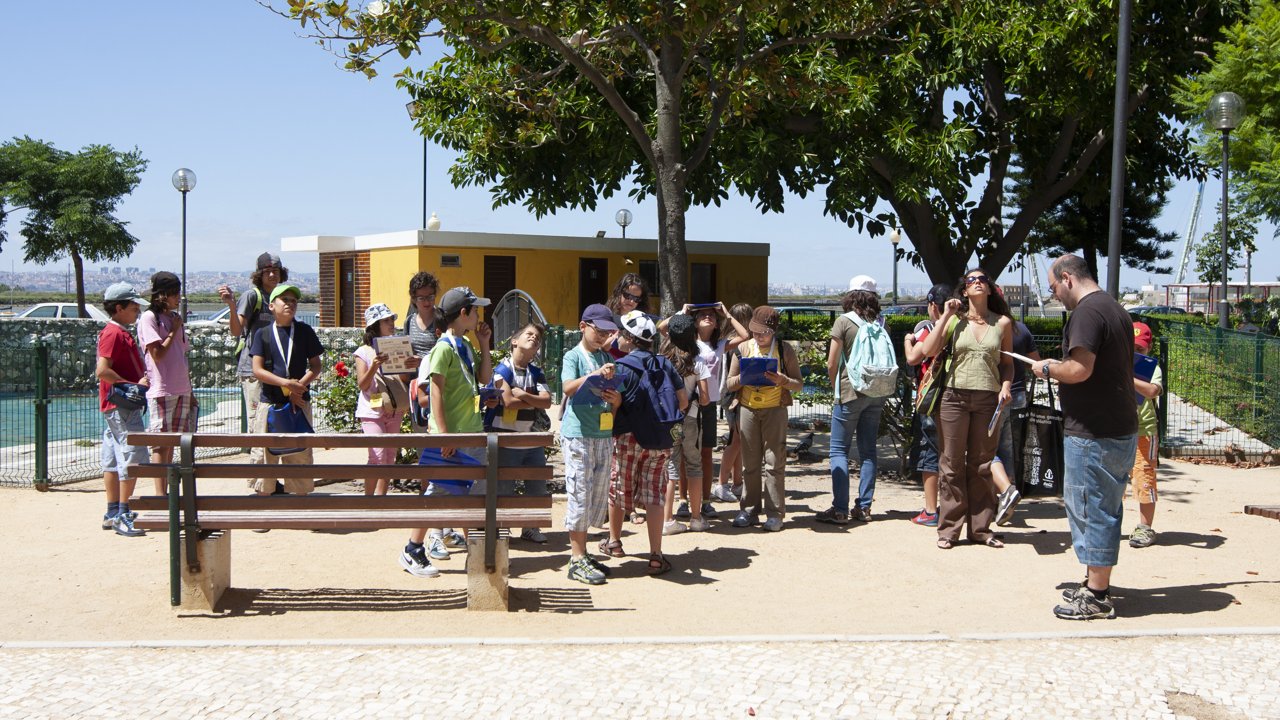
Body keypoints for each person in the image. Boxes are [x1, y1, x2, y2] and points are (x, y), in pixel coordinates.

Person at [1030, 255, 1138, 620]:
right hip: (1115, 426)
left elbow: (1079, 369)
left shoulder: (1087, 313)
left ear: (1067, 278)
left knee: (1091, 509)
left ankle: (1097, 595)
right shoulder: (1114, 308)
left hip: (1094, 431)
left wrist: (1047, 367)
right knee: (1101, 507)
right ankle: (1096, 580)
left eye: (1053, 287)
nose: (1055, 295)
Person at [400, 287, 494, 577]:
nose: (479, 315)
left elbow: (484, 378)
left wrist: (485, 344)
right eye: (475, 310)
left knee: (471, 496)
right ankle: (413, 549)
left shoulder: (464, 344)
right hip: (451, 435)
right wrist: (444, 435)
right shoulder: (443, 347)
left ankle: (475, 554)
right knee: (439, 492)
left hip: (469, 431)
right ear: (463, 313)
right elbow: (435, 393)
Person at [918, 268, 1013, 550]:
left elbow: (1007, 364)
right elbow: (928, 350)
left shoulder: (1003, 323)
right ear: (964, 291)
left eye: (982, 279)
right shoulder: (954, 322)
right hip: (953, 398)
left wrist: (1006, 386)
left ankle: (981, 529)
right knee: (951, 464)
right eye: (971, 280)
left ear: (989, 288)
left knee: (983, 464)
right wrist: (946, 315)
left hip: (988, 399)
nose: (977, 283)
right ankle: (948, 530)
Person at [607, 310, 688, 574]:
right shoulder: (664, 364)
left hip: (628, 437)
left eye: (621, 333)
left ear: (630, 339)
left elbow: (610, 409)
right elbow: (683, 401)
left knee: (619, 488)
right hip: (661, 439)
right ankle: (655, 555)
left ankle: (614, 543)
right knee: (655, 494)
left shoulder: (620, 368)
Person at [816, 275, 888, 525]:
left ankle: (839, 509)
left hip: (849, 392)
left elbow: (832, 362)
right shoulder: (881, 322)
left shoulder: (844, 322)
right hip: (876, 392)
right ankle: (865, 507)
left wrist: (834, 382)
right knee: (868, 451)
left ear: (849, 295)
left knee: (838, 450)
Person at [723, 306, 803, 532]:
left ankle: (775, 513)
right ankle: (748, 510)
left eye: (764, 333)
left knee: (774, 462)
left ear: (774, 331)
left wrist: (782, 380)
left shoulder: (784, 350)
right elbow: (729, 384)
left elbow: (798, 384)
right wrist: (744, 378)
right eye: (755, 332)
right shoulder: (742, 348)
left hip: (775, 409)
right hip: (747, 409)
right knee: (749, 463)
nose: (759, 337)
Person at [562, 304, 622, 585]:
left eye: (606, 332)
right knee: (579, 493)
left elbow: (614, 398)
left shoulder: (607, 356)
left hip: (601, 432)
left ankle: (583, 553)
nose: (602, 336)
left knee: (597, 492)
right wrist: (595, 375)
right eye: (598, 330)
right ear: (583, 326)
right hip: (577, 434)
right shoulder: (573, 355)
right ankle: (576, 558)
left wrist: (615, 400)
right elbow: (567, 387)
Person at [248, 284, 325, 498]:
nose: (290, 304)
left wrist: (298, 388)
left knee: (300, 457)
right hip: (270, 403)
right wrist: (286, 383)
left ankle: (301, 509)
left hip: (298, 403)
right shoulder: (262, 334)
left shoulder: (304, 331)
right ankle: (263, 512)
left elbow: (316, 365)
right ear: (272, 306)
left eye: (294, 300)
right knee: (264, 459)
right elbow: (257, 369)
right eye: (285, 300)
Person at [486, 321, 554, 543]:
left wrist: (522, 395)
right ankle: (500, 529)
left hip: (531, 440)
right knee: (504, 487)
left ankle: (530, 527)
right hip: (505, 440)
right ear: (514, 341)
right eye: (529, 334)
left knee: (536, 486)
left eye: (537, 337)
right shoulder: (501, 370)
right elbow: (507, 402)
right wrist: (532, 400)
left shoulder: (537, 372)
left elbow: (547, 401)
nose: (533, 338)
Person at [137, 272, 202, 496]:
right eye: (174, 293)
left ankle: (170, 492)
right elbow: (157, 354)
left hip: (181, 388)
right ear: (162, 296)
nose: (178, 298)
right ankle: (160, 495)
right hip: (161, 389)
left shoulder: (174, 318)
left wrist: (190, 390)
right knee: (160, 444)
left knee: (174, 443)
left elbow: (181, 355)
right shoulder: (149, 319)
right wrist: (173, 330)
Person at [95, 282, 151, 537]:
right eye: (133, 306)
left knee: (112, 458)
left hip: (115, 407)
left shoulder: (118, 332)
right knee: (132, 455)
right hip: (122, 407)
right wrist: (134, 385)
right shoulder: (114, 333)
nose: (137, 310)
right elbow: (102, 371)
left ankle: (113, 511)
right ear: (119, 308)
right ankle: (123, 513)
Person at [690, 303, 749, 517]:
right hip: (688, 402)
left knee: (706, 453)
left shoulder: (720, 345)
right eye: (703, 315)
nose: (708, 317)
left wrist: (726, 314)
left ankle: (705, 500)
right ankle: (683, 500)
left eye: (711, 316)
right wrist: (685, 311)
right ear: (695, 321)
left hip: (709, 404)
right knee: (685, 455)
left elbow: (745, 335)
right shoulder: (688, 343)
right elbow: (663, 329)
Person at [353, 303, 419, 496]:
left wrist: (408, 366)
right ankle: (369, 501)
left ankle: (381, 501)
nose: (391, 323)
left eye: (392, 319)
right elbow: (362, 385)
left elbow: (403, 380)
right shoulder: (363, 352)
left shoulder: (396, 345)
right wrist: (374, 366)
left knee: (389, 457)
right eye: (386, 320)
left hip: (394, 407)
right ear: (375, 324)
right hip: (371, 411)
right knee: (377, 455)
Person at [231, 252, 289, 467]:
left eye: (276, 271)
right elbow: (236, 329)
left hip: (276, 371)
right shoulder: (252, 296)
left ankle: (271, 477)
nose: (273, 275)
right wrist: (230, 305)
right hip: (252, 370)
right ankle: (260, 477)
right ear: (260, 274)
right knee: (258, 423)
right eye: (268, 271)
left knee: (275, 423)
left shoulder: (281, 297)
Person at [902, 284, 953, 527]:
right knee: (956, 454)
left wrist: (907, 342)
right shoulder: (960, 327)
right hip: (956, 398)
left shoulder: (929, 329)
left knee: (929, 454)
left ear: (933, 306)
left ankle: (931, 510)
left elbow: (913, 357)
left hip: (932, 400)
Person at [658, 314, 711, 534]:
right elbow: (706, 398)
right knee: (694, 465)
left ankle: (667, 519)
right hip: (690, 417)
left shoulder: (662, 359)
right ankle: (696, 518)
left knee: (670, 468)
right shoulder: (697, 362)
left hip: (667, 419)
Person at [991, 317, 1041, 526]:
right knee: (1009, 450)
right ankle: (1005, 498)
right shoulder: (1021, 329)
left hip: (994, 394)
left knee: (984, 449)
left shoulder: (990, 328)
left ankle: (1004, 492)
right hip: (1018, 393)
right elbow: (1035, 362)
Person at [713, 302, 753, 503]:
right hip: (733, 394)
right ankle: (721, 484)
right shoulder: (737, 343)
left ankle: (737, 483)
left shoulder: (725, 341)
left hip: (728, 393)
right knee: (735, 440)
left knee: (738, 440)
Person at [1128, 322, 1163, 549]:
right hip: (1119, 429)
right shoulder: (1115, 363)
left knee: (1144, 477)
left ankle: (1145, 527)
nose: (1134, 354)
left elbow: (1152, 390)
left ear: (1148, 348)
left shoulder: (1152, 368)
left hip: (1144, 431)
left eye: (1139, 350)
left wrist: (1126, 379)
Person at [605, 273, 653, 360]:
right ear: (619, 292)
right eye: (627, 296)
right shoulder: (606, 316)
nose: (631, 301)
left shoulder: (643, 322)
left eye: (636, 298)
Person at [404, 271, 440, 357]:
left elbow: (446, 354)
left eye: (430, 297)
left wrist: (422, 362)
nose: (427, 302)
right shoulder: (409, 322)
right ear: (413, 298)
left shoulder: (442, 320)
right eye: (421, 298)